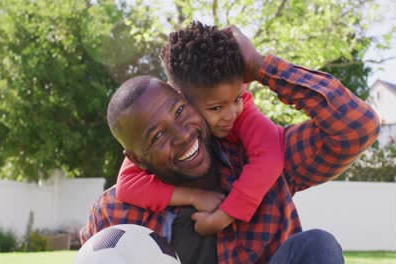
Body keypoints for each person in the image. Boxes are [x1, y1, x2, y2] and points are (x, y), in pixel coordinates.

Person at [80, 24, 380, 264]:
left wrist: (261, 66)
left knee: (317, 245)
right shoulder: (113, 211)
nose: (182, 135)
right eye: (157, 136)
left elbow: (357, 127)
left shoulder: (266, 157)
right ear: (137, 159)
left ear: (184, 98)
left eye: (180, 111)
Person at [115, 22, 284, 235]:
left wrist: (223, 216)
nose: (231, 113)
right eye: (216, 108)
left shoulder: (243, 112)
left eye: (237, 98)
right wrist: (193, 197)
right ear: (181, 98)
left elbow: (270, 158)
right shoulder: (167, 117)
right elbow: (127, 184)